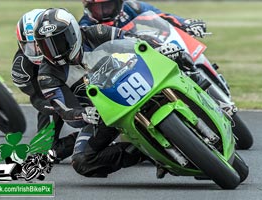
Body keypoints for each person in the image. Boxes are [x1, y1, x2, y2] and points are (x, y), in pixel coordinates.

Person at [33, 8, 158, 178]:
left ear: (73, 33)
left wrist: (159, 47)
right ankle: (145, 152)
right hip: (104, 114)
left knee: (180, 61)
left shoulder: (94, 32)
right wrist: (84, 114)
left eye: (60, 42)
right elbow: (63, 109)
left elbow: (133, 39)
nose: (55, 51)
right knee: (82, 161)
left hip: (139, 83)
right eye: (47, 45)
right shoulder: (47, 74)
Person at [11, 9, 77, 163]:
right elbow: (39, 98)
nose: (38, 51)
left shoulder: (72, 46)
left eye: (41, 44)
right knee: (43, 153)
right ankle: (84, 139)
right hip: (56, 93)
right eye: (31, 46)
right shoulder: (22, 68)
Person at [79, 0, 207, 38]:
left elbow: (160, 15)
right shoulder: (84, 26)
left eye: (108, 6)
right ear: (89, 7)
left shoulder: (131, 7)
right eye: (98, 8)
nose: (104, 12)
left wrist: (186, 23)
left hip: (144, 53)